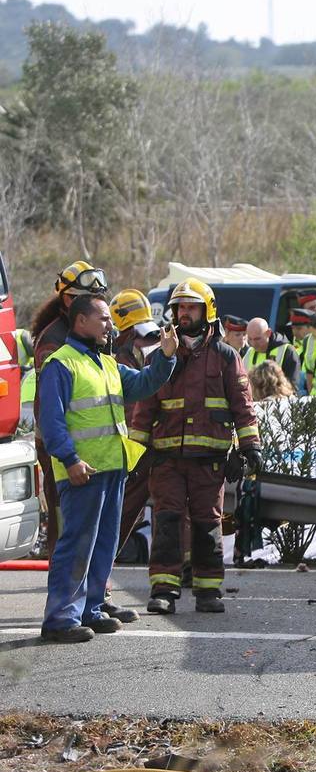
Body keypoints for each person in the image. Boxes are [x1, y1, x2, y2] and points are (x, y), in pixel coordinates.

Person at [38, 294, 177, 642]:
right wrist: (70, 460)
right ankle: (60, 618)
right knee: (77, 544)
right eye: (103, 319)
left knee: (103, 543)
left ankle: (91, 608)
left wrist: (166, 356)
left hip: (111, 469)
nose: (110, 326)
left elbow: (145, 384)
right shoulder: (61, 364)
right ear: (80, 321)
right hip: (83, 471)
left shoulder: (107, 364)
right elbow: (52, 423)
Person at [129, 279, 261, 615]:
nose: (184, 313)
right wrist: (137, 452)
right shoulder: (161, 356)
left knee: (207, 524)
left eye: (191, 307)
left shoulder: (226, 357)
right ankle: (163, 590)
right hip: (167, 459)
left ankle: (208, 590)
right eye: (179, 307)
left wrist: (250, 448)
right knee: (167, 520)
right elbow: (145, 406)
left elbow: (242, 406)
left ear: (208, 311)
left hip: (211, 461)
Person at [30, 262, 114, 599]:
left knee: (95, 526)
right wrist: (68, 455)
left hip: (93, 449)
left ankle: (94, 595)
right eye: (88, 296)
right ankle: (66, 600)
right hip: (62, 447)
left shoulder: (93, 335)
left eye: (98, 296)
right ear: (69, 302)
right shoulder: (53, 342)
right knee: (68, 525)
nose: (96, 302)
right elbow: (52, 410)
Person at [109, 289, 167, 555]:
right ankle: (98, 570)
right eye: (139, 334)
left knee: (169, 511)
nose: (147, 341)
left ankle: (173, 569)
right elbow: (133, 410)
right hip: (131, 453)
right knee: (121, 514)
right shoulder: (115, 365)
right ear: (122, 333)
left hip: (150, 448)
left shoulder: (138, 358)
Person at [244, 317, 300, 387]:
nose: (253, 344)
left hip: (278, 396)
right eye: (250, 339)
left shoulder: (286, 351)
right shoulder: (250, 352)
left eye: (257, 339)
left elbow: (292, 384)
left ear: (268, 333)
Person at [16, 326, 35, 404]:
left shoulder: (21, 334)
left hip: (20, 373)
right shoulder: (22, 334)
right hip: (24, 372)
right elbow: (32, 352)